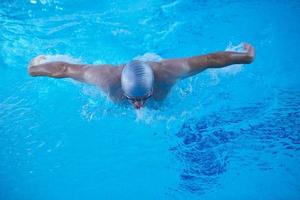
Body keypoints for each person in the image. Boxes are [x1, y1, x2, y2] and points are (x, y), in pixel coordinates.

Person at [28, 43, 255, 109]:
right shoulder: (104, 78)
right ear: (122, 89)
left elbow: (209, 60)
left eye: (144, 98)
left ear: (154, 85)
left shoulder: (169, 72)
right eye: (132, 99)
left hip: (157, 67)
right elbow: (65, 69)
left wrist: (245, 58)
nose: (138, 106)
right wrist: (35, 68)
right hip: (112, 73)